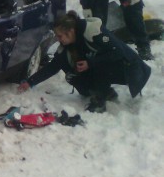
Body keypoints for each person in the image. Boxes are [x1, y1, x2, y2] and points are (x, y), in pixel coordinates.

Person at [18, 11, 151, 113]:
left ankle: (99, 101)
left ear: (70, 31)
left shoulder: (92, 31)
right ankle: (106, 92)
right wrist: (30, 82)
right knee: (72, 73)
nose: (59, 39)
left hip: (131, 68)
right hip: (108, 67)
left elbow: (118, 52)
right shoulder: (67, 45)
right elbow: (53, 66)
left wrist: (91, 63)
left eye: (60, 36)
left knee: (98, 63)